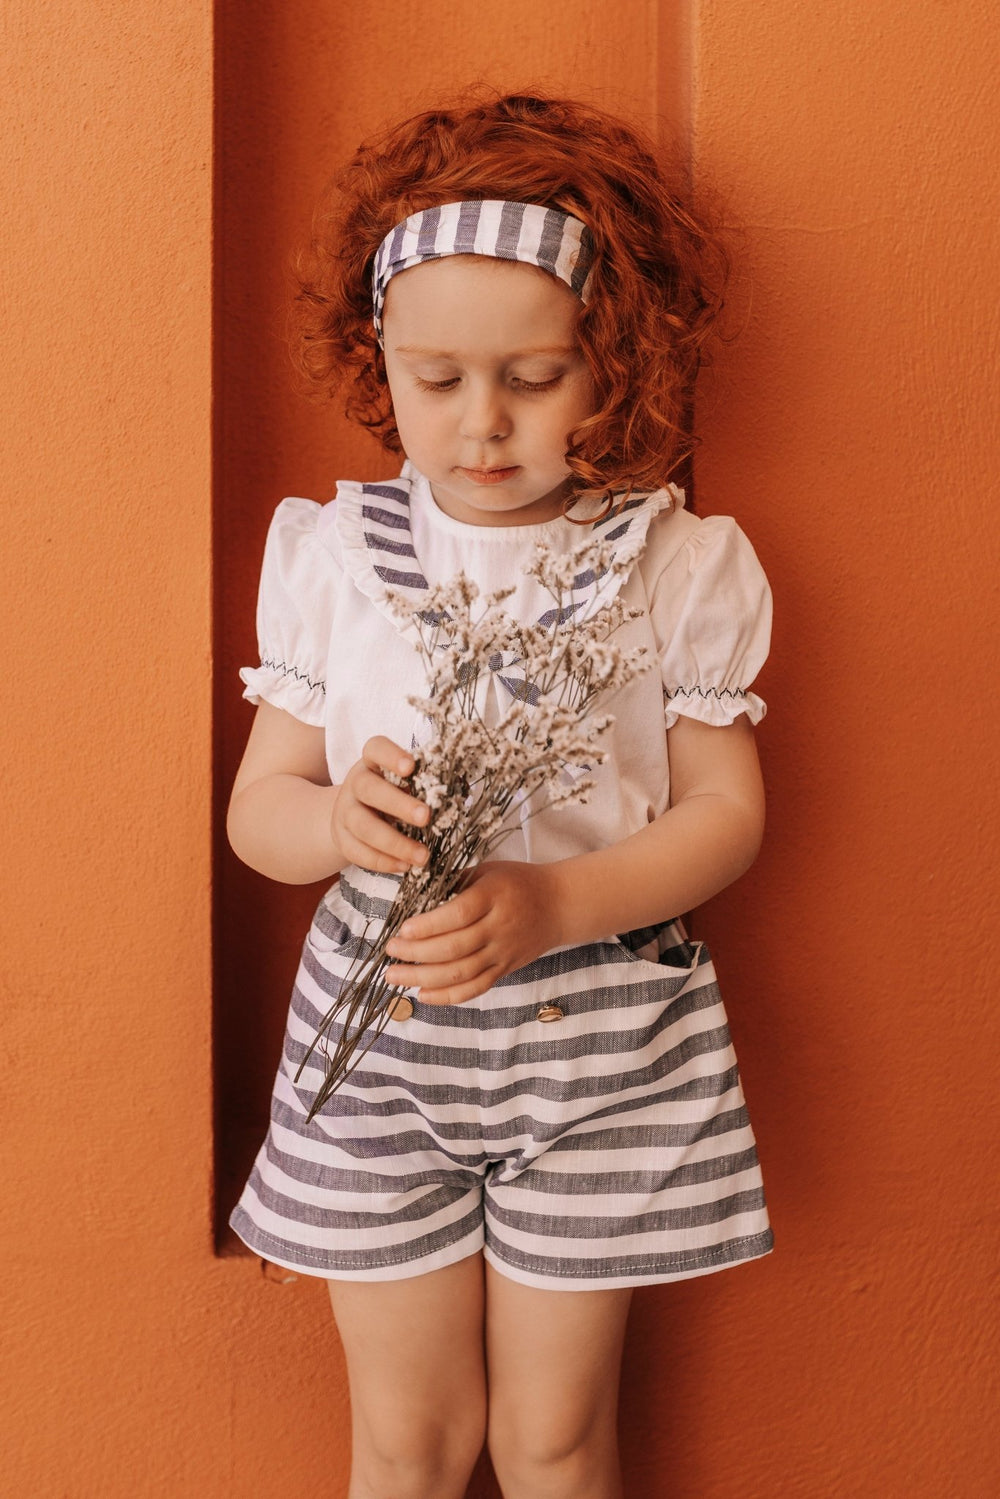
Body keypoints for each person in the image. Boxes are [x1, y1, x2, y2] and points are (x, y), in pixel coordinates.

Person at [227, 92, 773, 1499]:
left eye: (533, 378)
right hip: (382, 1046)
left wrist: (556, 901)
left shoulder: (670, 562)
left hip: (597, 1049)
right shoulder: (337, 557)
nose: (481, 424)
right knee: (409, 1441)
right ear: (378, 360)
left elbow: (726, 810)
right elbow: (262, 809)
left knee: (553, 1440)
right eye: (436, 378)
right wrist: (336, 819)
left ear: (613, 362)